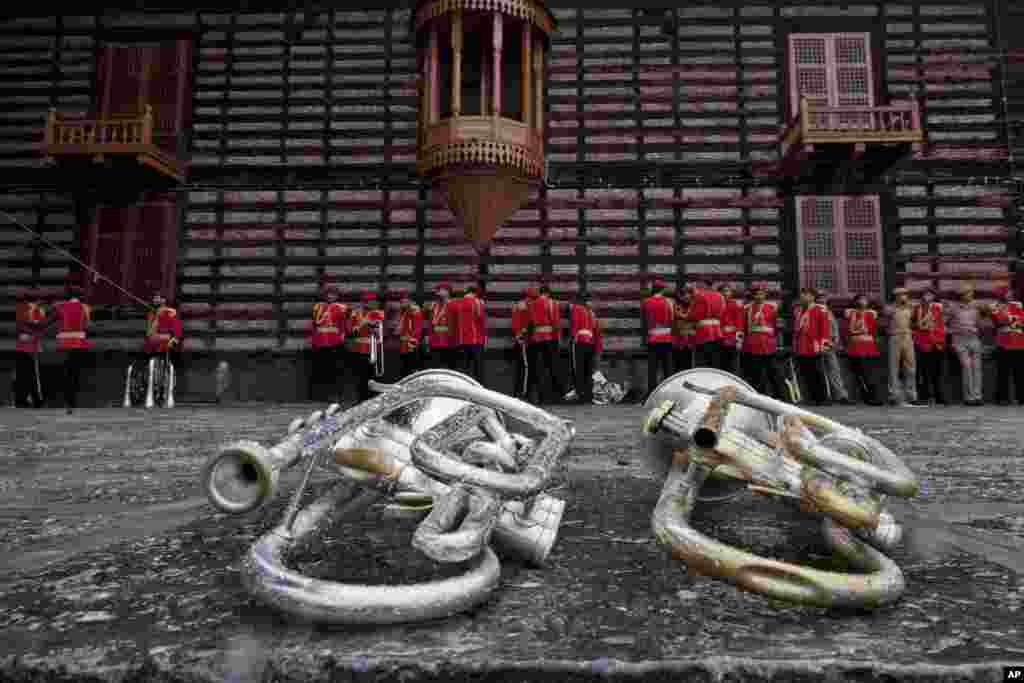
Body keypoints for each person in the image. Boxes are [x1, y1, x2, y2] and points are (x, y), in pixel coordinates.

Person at [51, 277, 93, 413]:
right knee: (75, 373)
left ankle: (65, 401)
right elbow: (87, 326)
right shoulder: (85, 308)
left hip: (63, 343)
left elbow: (51, 320)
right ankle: (72, 402)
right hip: (79, 343)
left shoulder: (59, 306)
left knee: (64, 372)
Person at [944, 282, 988, 406]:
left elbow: (982, 324)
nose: (970, 295)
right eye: (966, 293)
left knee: (977, 368)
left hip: (974, 339)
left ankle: (977, 396)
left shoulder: (977, 307)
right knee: (967, 367)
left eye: (970, 292)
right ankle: (968, 397)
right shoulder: (953, 308)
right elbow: (943, 324)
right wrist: (954, 331)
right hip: (959, 340)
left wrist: (979, 328)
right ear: (961, 295)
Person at [741, 282, 787, 400]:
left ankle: (780, 397)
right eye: (756, 293)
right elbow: (744, 328)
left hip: (768, 343)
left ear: (765, 294)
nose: (759, 296)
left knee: (774, 373)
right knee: (756, 374)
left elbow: (777, 327)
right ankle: (759, 398)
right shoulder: (747, 308)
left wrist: (778, 343)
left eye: (762, 293)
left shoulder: (773, 307)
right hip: (752, 344)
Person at [310, 282, 349, 402]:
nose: (331, 296)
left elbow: (345, 325)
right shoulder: (317, 307)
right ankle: (321, 394)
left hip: (336, 341)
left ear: (337, 295)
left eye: (333, 294)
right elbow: (314, 325)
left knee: (336, 370)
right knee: (321, 370)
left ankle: (336, 395)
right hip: (320, 341)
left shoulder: (343, 308)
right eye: (328, 294)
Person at [143, 291, 183, 405]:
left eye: (158, 298)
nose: (155, 300)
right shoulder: (152, 313)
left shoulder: (171, 312)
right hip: (154, 344)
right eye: (154, 298)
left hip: (167, 343)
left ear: (163, 300)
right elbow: (149, 333)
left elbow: (177, 329)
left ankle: (165, 391)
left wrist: (174, 339)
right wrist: (156, 317)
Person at [792, 287, 830, 406]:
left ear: (813, 297)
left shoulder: (820, 309)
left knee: (818, 373)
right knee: (806, 373)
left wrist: (823, 344)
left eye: (806, 295)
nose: (803, 297)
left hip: (814, 345)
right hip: (802, 345)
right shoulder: (798, 310)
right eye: (802, 295)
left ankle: (822, 398)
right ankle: (811, 397)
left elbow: (824, 328)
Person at [845, 293, 883, 405]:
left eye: (864, 300)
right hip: (855, 346)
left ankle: (873, 397)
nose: (862, 302)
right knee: (856, 374)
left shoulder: (871, 314)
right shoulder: (850, 313)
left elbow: (874, 330)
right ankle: (861, 397)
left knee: (869, 374)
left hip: (868, 346)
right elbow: (847, 330)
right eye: (860, 300)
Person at [884, 287, 920, 407]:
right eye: (900, 295)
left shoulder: (910, 308)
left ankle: (911, 395)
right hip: (895, 336)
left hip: (907, 336)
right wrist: (898, 306)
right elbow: (885, 320)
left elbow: (914, 321)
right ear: (895, 296)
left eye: (904, 294)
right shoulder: (889, 308)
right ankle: (894, 395)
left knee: (910, 367)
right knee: (893, 367)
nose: (902, 297)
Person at [816, 292, 853, 404]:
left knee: (834, 371)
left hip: (830, 344)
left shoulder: (829, 312)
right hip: (818, 344)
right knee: (821, 371)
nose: (823, 299)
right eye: (820, 297)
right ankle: (825, 396)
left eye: (824, 297)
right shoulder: (814, 311)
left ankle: (841, 395)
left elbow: (834, 328)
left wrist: (836, 341)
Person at [912, 287, 947, 405]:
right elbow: (914, 324)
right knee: (924, 372)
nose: (928, 296)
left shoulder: (939, 307)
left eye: (930, 294)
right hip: (923, 342)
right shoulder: (917, 308)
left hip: (937, 342)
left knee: (937, 372)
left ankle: (939, 396)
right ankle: (925, 396)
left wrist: (940, 338)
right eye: (925, 294)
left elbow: (942, 322)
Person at [990, 285, 1024, 405]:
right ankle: (1002, 398)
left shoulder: (1018, 305)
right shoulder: (994, 306)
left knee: (1019, 373)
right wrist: (1014, 320)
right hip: (1003, 343)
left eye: (1010, 292)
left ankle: (1021, 397)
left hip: (1019, 342)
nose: (1009, 294)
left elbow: (1022, 320)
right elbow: (1000, 320)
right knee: (1002, 372)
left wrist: (1011, 321)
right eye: (1006, 293)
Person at [349, 291, 384, 402]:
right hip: (359, 349)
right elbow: (350, 331)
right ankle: (361, 400)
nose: (369, 304)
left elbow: (382, 333)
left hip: (374, 349)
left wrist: (375, 328)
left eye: (371, 301)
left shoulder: (379, 313)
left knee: (374, 378)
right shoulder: (355, 314)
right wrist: (363, 323)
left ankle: (373, 400)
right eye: (366, 301)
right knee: (360, 378)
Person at [641, 279, 674, 399]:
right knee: (667, 368)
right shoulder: (669, 302)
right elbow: (671, 320)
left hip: (652, 338)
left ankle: (651, 393)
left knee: (652, 369)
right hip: (666, 338)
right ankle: (668, 394)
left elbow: (644, 322)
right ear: (663, 290)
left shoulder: (646, 302)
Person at [526, 285, 558, 405]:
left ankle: (538, 396)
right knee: (550, 367)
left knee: (537, 368)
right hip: (549, 338)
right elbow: (555, 321)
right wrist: (557, 336)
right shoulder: (551, 303)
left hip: (536, 338)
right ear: (548, 293)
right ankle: (551, 396)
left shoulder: (533, 303)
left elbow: (531, 321)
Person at [14, 289, 46, 408]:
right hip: (32, 346)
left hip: (22, 345)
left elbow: (19, 327)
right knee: (33, 375)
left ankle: (21, 400)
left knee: (22, 374)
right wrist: (34, 335)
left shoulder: (20, 308)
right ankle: (36, 400)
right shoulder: (39, 310)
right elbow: (41, 327)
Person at [569, 290, 603, 404]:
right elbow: (596, 330)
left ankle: (580, 395)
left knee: (579, 370)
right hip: (590, 342)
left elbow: (574, 324)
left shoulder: (576, 309)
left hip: (579, 341)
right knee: (588, 371)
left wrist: (573, 338)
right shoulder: (591, 313)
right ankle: (588, 395)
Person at [685, 280, 725, 369]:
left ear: (703, 285)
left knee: (702, 361)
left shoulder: (700, 296)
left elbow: (693, 315)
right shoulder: (720, 296)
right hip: (717, 331)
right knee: (715, 361)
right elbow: (722, 311)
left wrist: (685, 316)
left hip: (703, 331)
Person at [456, 283, 487, 384]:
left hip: (462, 339)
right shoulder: (478, 302)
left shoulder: (459, 302)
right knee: (478, 370)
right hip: (476, 339)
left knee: (464, 369)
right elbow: (481, 320)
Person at [425, 281, 458, 370]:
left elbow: (455, 324)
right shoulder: (434, 305)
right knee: (435, 368)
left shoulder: (454, 305)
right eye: (437, 290)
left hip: (449, 342)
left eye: (440, 290)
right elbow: (430, 322)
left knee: (451, 369)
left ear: (447, 292)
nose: (438, 292)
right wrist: (428, 336)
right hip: (435, 342)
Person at [397, 290, 423, 379]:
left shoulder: (414, 311)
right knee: (405, 370)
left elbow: (417, 329)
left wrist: (413, 343)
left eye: (403, 301)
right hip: (404, 345)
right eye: (400, 301)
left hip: (410, 345)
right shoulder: (405, 311)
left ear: (410, 301)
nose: (401, 303)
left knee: (412, 370)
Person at [720, 283, 745, 375]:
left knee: (733, 367)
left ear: (731, 293)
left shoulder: (736, 305)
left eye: (728, 291)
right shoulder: (717, 305)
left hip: (732, 340)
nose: (726, 293)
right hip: (720, 339)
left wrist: (739, 341)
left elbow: (740, 324)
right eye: (724, 291)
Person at [511, 288, 530, 399]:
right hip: (523, 339)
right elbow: (524, 323)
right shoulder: (523, 306)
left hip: (519, 338)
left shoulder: (516, 306)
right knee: (525, 367)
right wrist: (520, 335)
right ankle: (523, 393)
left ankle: (518, 392)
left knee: (520, 368)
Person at [671, 288, 694, 374]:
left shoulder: (692, 305)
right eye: (685, 295)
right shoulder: (676, 305)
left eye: (688, 294)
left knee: (688, 364)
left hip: (689, 340)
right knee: (677, 363)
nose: (687, 297)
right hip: (678, 338)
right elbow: (678, 316)